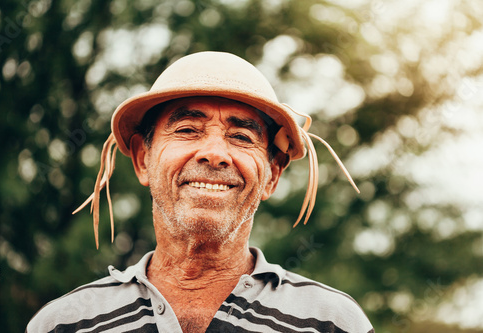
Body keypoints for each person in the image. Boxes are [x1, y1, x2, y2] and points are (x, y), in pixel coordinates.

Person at [27, 51, 374, 333]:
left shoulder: (332, 322)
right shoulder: (64, 323)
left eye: (241, 137)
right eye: (188, 129)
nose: (215, 153)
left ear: (272, 176)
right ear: (143, 159)